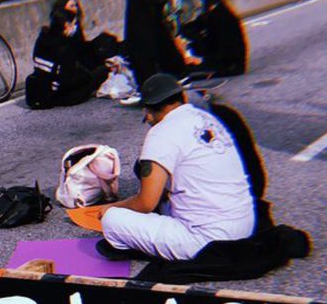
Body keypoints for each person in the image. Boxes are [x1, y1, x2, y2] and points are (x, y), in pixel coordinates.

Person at [97, 74, 255, 261]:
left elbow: (146, 204)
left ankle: (140, 245)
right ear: (182, 98)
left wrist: (111, 207)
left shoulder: (161, 132)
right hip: (245, 224)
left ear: (147, 112)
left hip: (208, 240)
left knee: (112, 220)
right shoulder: (207, 118)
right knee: (162, 190)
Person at [25, 0, 114, 108]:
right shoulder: (64, 48)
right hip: (61, 94)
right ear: (66, 25)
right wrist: (88, 76)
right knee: (102, 71)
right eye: (72, 24)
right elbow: (68, 81)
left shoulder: (43, 38)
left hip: (45, 88)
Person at [179, 0, 247, 77]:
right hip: (226, 63)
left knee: (186, 73)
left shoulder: (221, 16)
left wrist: (200, 42)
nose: (202, 1)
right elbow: (197, 25)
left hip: (229, 65)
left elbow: (225, 48)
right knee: (187, 70)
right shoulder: (214, 13)